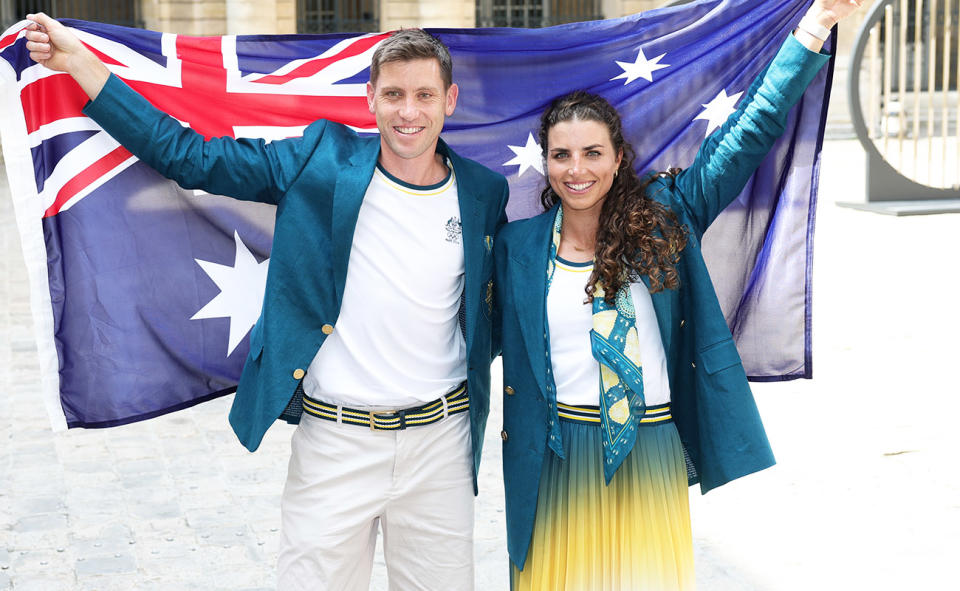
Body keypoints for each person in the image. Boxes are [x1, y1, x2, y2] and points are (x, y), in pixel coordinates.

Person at [25, 14, 507, 590]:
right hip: (337, 442)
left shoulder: (483, 191)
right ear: (370, 98)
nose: (409, 111)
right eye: (394, 94)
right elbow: (190, 158)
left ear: (449, 99)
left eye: (425, 95)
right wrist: (80, 63)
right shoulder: (319, 159)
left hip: (441, 446)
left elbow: (497, 305)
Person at [494, 1, 862, 588]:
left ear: (618, 158)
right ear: (546, 163)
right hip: (557, 457)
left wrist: (815, 26)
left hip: (649, 450)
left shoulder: (666, 217)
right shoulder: (515, 248)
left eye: (593, 153)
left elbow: (752, 129)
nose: (577, 169)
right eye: (562, 155)